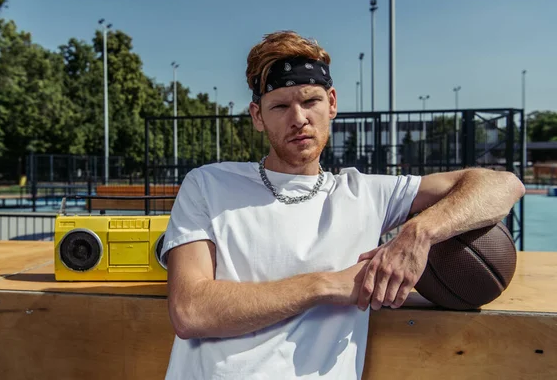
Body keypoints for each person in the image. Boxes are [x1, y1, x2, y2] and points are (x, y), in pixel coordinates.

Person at [158, 30, 525, 379]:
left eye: (310, 101)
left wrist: (418, 232)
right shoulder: (208, 184)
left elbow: (503, 185)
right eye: (280, 106)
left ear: (331, 103)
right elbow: (190, 310)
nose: (298, 118)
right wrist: (326, 285)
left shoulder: (366, 194)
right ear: (258, 116)